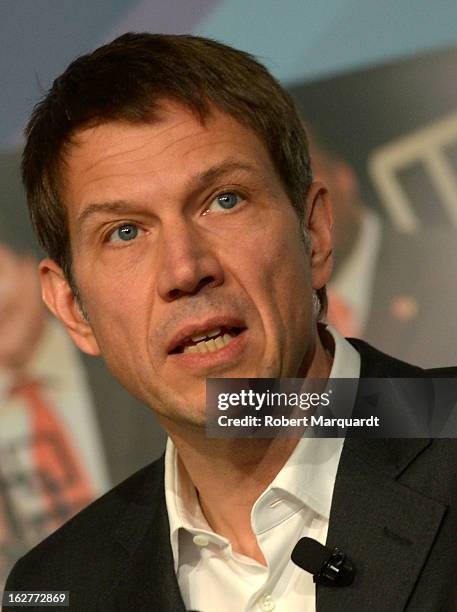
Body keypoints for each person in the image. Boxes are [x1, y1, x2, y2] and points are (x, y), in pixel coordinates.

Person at [4, 33, 457, 611]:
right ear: (73, 309)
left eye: (223, 200)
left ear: (314, 234)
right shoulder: (59, 588)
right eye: (124, 232)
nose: (185, 269)